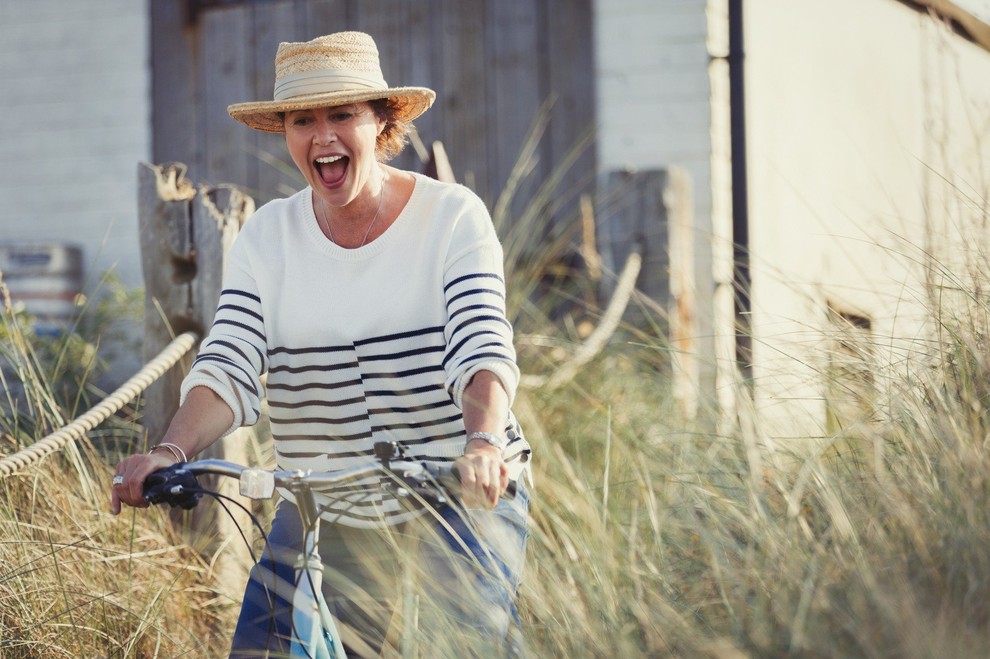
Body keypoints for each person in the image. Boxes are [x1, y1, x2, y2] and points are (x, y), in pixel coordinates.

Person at [110, 31, 531, 657]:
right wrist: (170, 450)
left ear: (382, 122)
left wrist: (481, 443)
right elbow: (228, 363)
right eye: (303, 119)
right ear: (285, 131)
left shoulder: (452, 217)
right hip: (327, 502)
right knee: (264, 649)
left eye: (343, 114)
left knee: (461, 643)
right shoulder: (267, 238)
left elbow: (480, 346)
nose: (322, 135)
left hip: (461, 485)